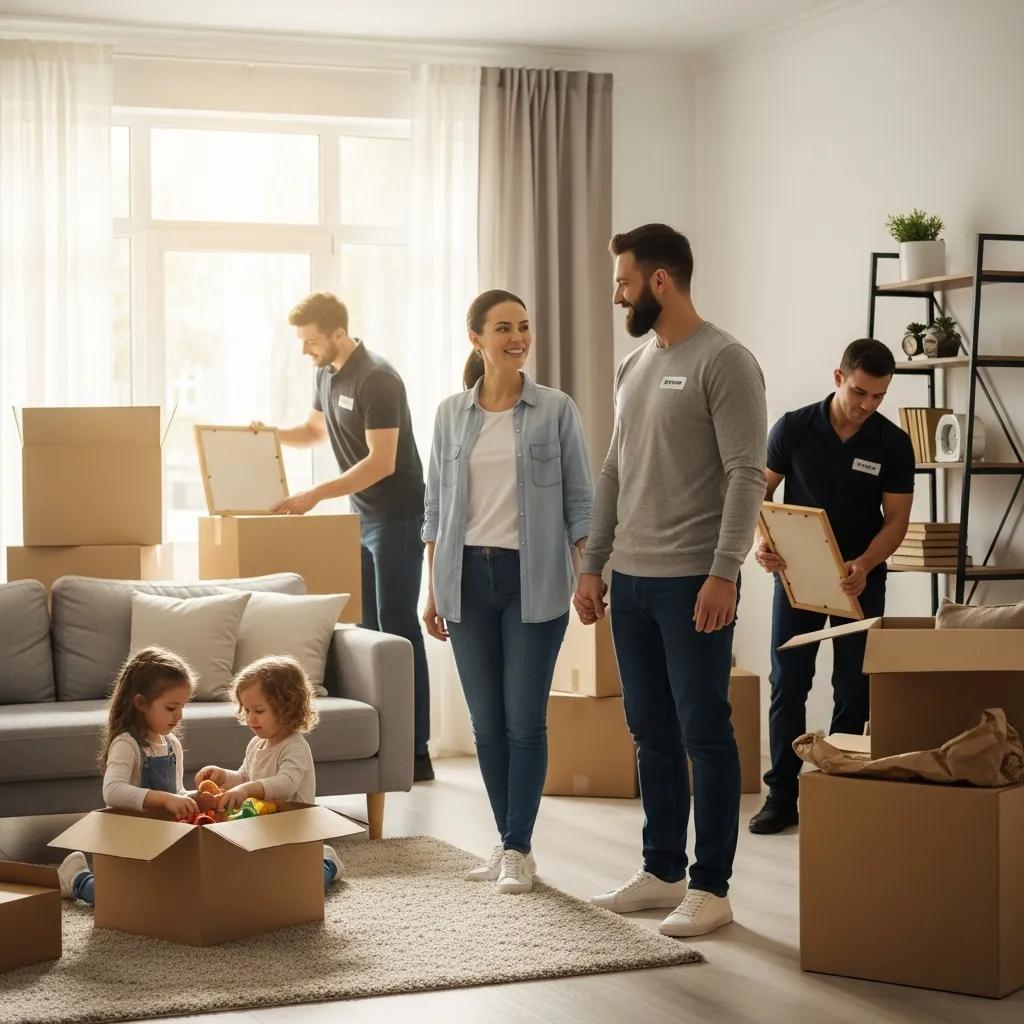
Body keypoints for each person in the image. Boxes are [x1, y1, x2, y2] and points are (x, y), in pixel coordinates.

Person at [575, 223, 767, 938]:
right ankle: (663, 871)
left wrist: (725, 571)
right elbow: (614, 472)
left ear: (660, 281)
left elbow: (747, 472)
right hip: (631, 581)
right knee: (649, 731)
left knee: (703, 731)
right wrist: (595, 563)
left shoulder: (726, 361)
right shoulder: (634, 365)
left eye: (624, 281)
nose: (617, 293)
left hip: (695, 582)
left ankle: (711, 888)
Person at [422, 289, 593, 895]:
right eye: (503, 328)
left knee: (525, 720)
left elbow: (579, 502)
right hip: (464, 578)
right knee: (486, 725)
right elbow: (435, 508)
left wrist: (590, 572)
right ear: (477, 339)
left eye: (524, 326)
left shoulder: (555, 409)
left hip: (536, 578)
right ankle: (506, 841)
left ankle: (518, 847)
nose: (517, 337)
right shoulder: (449, 415)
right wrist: (432, 587)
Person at [749, 338, 914, 835]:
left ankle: (840, 791)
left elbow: (898, 521)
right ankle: (782, 795)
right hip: (796, 578)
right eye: (860, 392)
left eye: (878, 397)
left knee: (852, 688)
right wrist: (762, 541)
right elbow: (760, 489)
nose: (868, 405)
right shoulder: (794, 427)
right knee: (789, 685)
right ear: (838, 377)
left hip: (860, 581)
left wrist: (864, 563)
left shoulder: (892, 443)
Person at [271, 292, 434, 783]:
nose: (305, 351)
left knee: (398, 630)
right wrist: (264, 435)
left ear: (338, 333)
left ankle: (417, 748)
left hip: (399, 517)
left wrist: (316, 493)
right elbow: (313, 430)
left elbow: (382, 461)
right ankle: (387, 743)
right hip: (361, 517)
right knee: (367, 628)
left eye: (311, 341)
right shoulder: (326, 374)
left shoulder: (377, 377)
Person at [58, 648, 199, 904]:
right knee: (126, 900)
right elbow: (112, 790)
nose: (179, 716)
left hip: (165, 842)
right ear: (141, 703)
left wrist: (197, 798)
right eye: (171, 707)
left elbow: (176, 792)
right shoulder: (127, 744)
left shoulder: (171, 745)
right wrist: (165, 800)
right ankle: (77, 879)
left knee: (176, 895)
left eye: (182, 707)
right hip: (130, 843)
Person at [195, 655, 343, 892]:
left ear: (287, 707)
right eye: (246, 709)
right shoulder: (256, 744)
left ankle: (327, 862)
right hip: (263, 831)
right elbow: (244, 776)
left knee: (305, 886)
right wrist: (223, 776)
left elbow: (285, 784)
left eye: (259, 710)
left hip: (295, 834)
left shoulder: (294, 746)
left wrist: (246, 789)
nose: (250, 718)